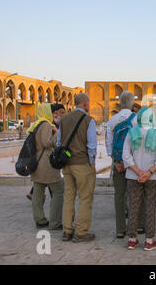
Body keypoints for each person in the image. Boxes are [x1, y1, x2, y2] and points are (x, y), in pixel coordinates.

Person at [122, 107, 156, 251]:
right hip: (152, 177)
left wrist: (137, 171)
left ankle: (132, 240)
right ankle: (149, 240)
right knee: (150, 207)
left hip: (133, 176)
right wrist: (148, 172)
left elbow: (125, 156)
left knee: (133, 206)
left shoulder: (131, 132)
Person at [58, 93, 98, 243]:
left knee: (68, 196)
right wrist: (92, 162)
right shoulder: (88, 120)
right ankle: (81, 232)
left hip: (67, 164)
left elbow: (58, 143)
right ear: (86, 103)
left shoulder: (64, 119)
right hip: (82, 164)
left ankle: (67, 231)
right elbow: (92, 145)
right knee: (85, 197)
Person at [105, 91, 138, 239]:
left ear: (119, 103)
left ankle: (120, 229)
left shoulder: (112, 120)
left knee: (119, 196)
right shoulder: (137, 119)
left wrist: (117, 162)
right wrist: (130, 163)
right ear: (132, 103)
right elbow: (139, 144)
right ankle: (137, 226)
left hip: (118, 164)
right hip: (133, 165)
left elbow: (109, 144)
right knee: (135, 195)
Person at [29, 103, 64, 230]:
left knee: (38, 192)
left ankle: (40, 220)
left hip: (37, 163)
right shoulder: (45, 125)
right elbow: (47, 143)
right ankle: (55, 222)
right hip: (46, 164)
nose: (54, 115)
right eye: (52, 112)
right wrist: (56, 133)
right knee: (59, 191)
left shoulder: (36, 124)